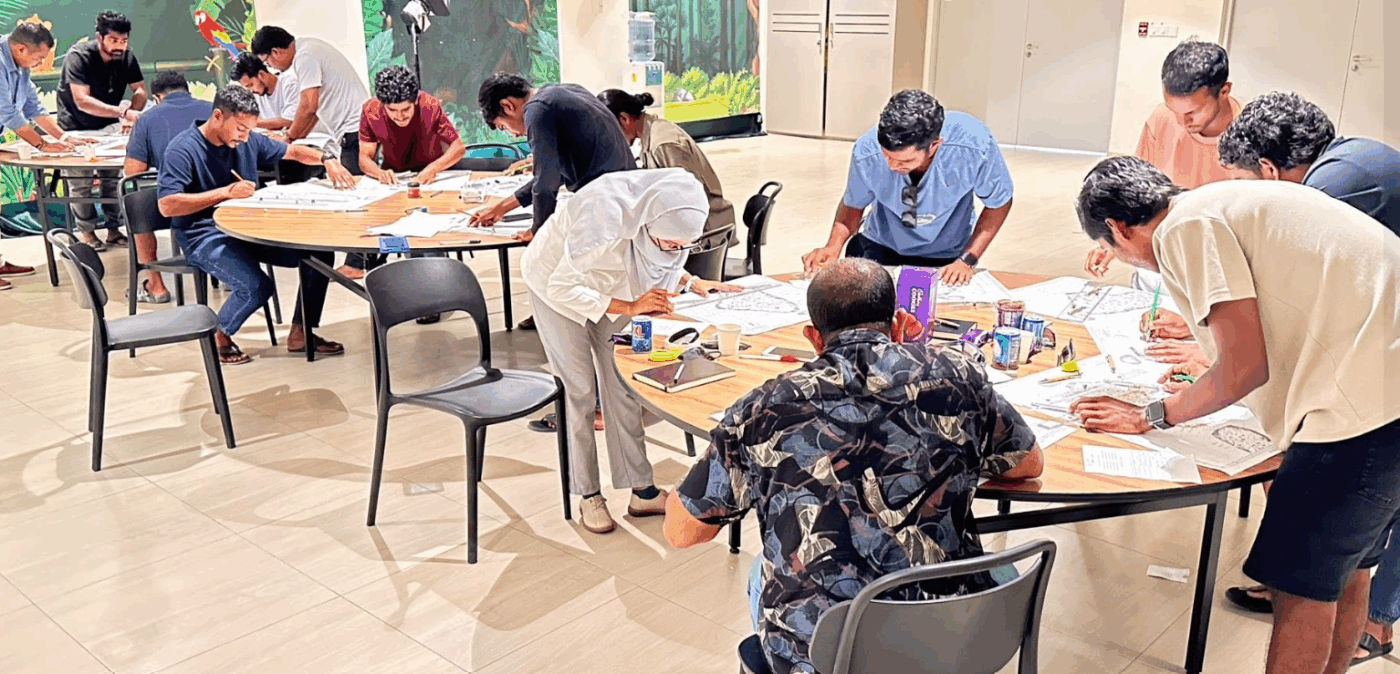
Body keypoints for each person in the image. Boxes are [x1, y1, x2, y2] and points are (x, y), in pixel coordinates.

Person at [1070, 156, 1400, 674]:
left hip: (1366, 409)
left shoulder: (1182, 228)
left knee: (1301, 586)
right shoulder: (1217, 203)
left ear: (1118, 229)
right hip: (1383, 385)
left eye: (1113, 249)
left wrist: (1153, 414)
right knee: (1350, 570)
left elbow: (1245, 367)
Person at [664, 257, 1045, 674]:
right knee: (990, 567)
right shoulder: (960, 375)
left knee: (762, 572)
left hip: (823, 657)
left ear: (813, 337)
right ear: (899, 324)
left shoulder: (760, 410)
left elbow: (682, 533)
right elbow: (1027, 464)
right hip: (952, 642)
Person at [1210, 90, 1400, 665]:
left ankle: (1376, 623)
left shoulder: (1326, 193)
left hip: (1378, 398)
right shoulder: (1353, 158)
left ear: (1269, 172)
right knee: (1354, 554)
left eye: (1243, 187)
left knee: (1332, 563)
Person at [522, 167, 738, 534]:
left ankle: (641, 490)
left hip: (617, 289)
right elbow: (562, 285)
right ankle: (588, 493)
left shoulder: (667, 204)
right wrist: (630, 306)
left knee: (623, 383)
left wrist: (692, 281)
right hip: (556, 289)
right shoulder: (602, 212)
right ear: (649, 224)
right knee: (579, 391)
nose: (676, 252)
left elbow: (661, 255)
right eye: (670, 244)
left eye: (683, 246)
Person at [157, 84, 346, 365]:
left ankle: (300, 333)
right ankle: (219, 334)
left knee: (319, 255)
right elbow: (167, 205)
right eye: (240, 129)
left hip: (249, 230)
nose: (245, 137)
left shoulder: (247, 140)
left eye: (249, 130)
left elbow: (292, 152)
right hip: (203, 235)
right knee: (256, 285)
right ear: (218, 116)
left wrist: (326, 159)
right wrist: (225, 193)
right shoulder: (182, 149)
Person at [800, 90, 1013, 286]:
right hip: (882, 245)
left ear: (934, 146)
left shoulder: (973, 144)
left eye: (905, 161)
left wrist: (967, 259)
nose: (892, 167)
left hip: (947, 254)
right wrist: (833, 247)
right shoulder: (867, 150)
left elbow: (999, 202)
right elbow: (854, 204)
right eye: (887, 157)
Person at [475, 72, 636, 330]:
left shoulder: (536, 111)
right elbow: (555, 171)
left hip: (605, 201)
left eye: (504, 127)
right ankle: (554, 312)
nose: (514, 135)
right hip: (624, 193)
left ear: (508, 106)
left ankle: (552, 315)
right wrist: (502, 207)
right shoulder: (564, 91)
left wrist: (538, 232)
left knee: (544, 260)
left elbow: (546, 182)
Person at [1084, 40, 1240, 288]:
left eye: (1192, 112)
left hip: (1225, 268)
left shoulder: (1250, 136)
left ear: (1224, 91)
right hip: (1162, 262)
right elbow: (1134, 197)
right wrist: (1115, 244)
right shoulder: (1161, 120)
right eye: (1173, 110)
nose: (1181, 122)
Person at [250, 26, 366, 274]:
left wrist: (289, 137)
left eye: (267, 61)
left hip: (354, 129)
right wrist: (292, 138)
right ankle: (368, 261)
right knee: (357, 191)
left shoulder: (305, 56)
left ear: (276, 52)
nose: (271, 67)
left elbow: (309, 105)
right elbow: (312, 112)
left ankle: (358, 263)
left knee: (354, 194)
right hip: (352, 128)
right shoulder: (309, 48)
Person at [56, 11, 147, 251]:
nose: (120, 46)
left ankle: (114, 230)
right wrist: (122, 113)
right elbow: (82, 100)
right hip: (76, 128)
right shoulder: (78, 56)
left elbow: (140, 90)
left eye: (124, 40)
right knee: (81, 184)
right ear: (100, 37)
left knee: (112, 180)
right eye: (114, 40)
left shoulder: (127, 57)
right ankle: (87, 232)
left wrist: (132, 112)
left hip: (110, 128)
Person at [598, 89, 735, 244]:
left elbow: (690, 199)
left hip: (705, 232)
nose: (612, 137)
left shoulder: (663, 144)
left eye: (610, 129)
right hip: (693, 226)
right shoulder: (651, 131)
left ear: (624, 118)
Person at [122, 70, 212, 304]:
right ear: (188, 91)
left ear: (157, 98)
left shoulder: (148, 118)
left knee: (136, 200)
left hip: (177, 202)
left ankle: (156, 286)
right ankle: (231, 273)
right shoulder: (214, 110)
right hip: (219, 197)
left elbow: (133, 170)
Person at [0, 21, 67, 290]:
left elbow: (32, 107)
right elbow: (7, 113)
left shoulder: (20, 65)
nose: (40, 64)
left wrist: (64, 139)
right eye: (39, 57)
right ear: (20, 48)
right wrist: (42, 145)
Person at [358, 66, 464, 186]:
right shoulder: (370, 110)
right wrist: (379, 173)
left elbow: (458, 148)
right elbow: (364, 158)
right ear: (382, 104)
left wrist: (433, 169)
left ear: (416, 101)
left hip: (432, 174)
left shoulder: (430, 105)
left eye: (406, 109)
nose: (400, 116)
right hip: (395, 176)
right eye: (392, 110)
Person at [229, 51, 299, 132]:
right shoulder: (255, 96)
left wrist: (252, 123)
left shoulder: (290, 85)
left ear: (261, 75)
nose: (251, 90)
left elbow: (289, 121)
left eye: (250, 85)